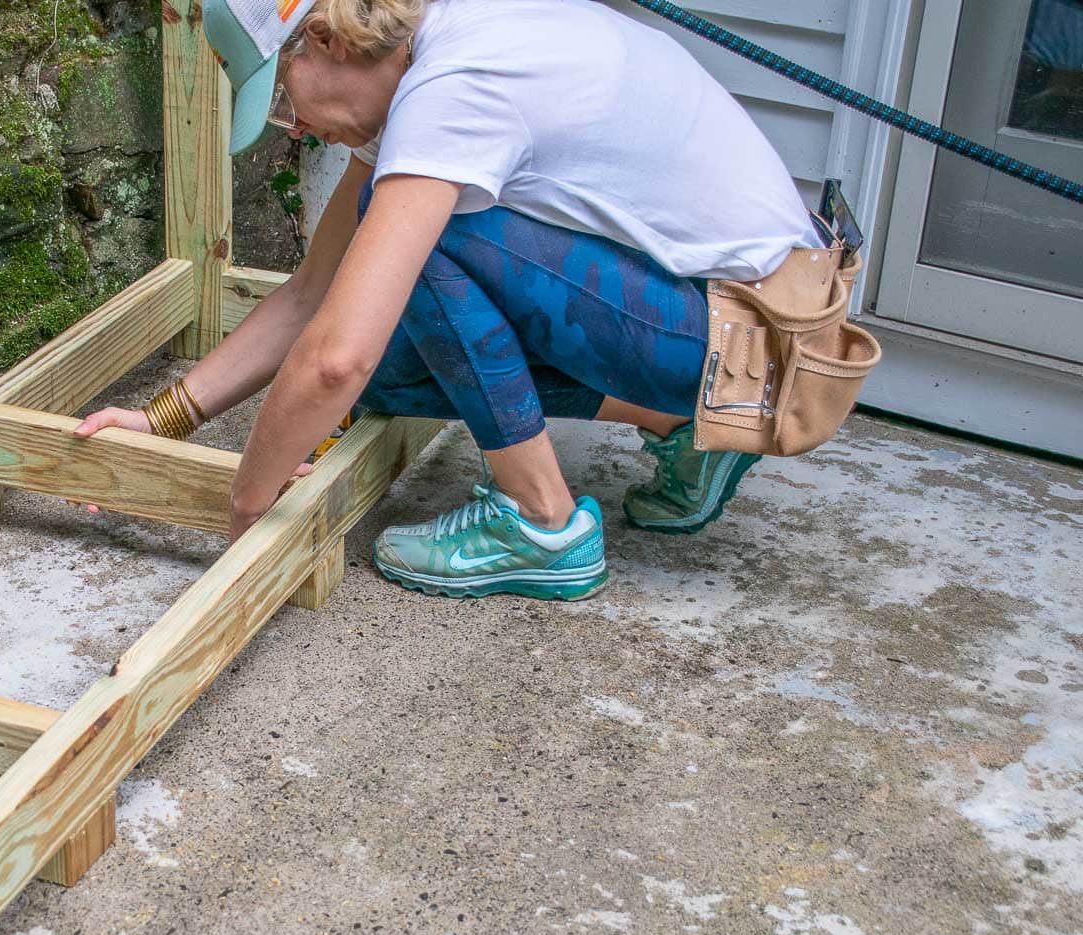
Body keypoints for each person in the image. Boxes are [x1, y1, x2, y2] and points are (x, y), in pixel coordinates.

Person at [76, 0, 822, 601]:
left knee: (419, 252)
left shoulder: (455, 86)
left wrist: (247, 501)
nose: (293, 125)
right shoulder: (426, 55)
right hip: (732, 327)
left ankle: (544, 524)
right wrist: (164, 417)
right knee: (389, 371)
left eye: (280, 93)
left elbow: (334, 359)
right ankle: (679, 425)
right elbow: (311, 295)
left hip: (761, 345)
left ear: (327, 39)